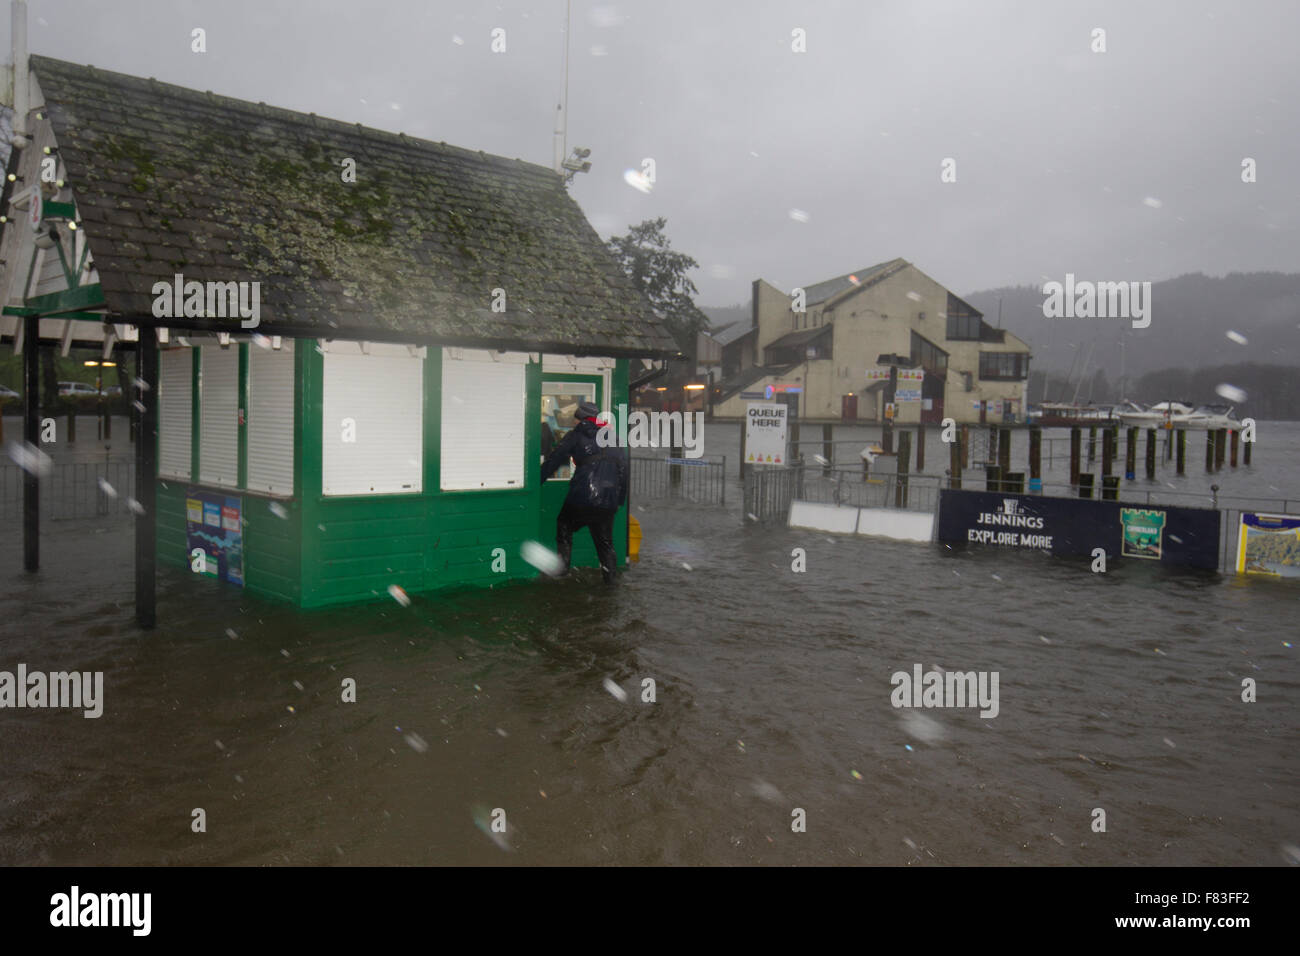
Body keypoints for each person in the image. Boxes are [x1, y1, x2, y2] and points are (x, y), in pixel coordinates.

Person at [540, 400, 628, 584]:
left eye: (574, 419)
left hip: (582, 497)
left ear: (579, 419)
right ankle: (610, 581)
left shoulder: (576, 435)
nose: (573, 423)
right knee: (605, 543)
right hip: (607, 500)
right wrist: (619, 499)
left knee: (564, 524)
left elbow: (554, 460)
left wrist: (537, 481)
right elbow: (624, 470)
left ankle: (562, 570)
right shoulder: (613, 437)